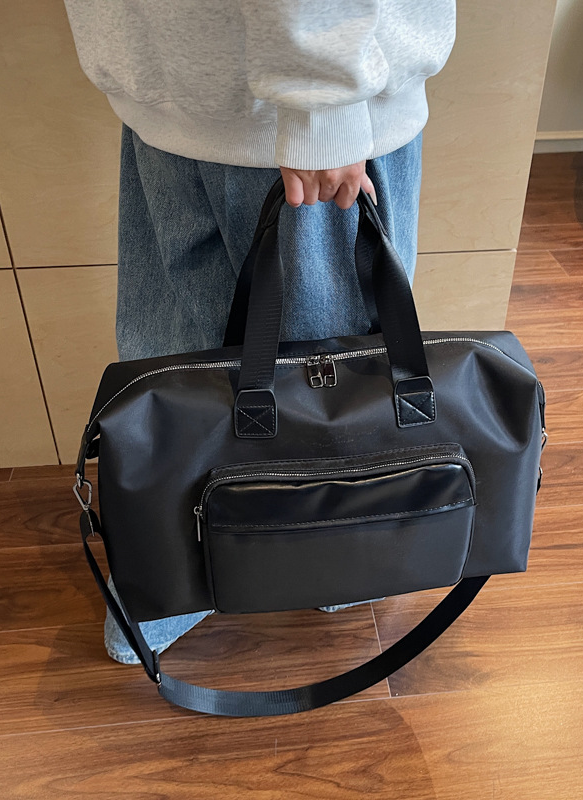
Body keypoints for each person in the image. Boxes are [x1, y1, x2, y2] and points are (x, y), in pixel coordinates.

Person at [63, 0, 457, 663]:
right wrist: (324, 105)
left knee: (179, 371)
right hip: (305, 111)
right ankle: (340, 561)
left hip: (164, 75)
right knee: (334, 384)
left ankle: (171, 586)